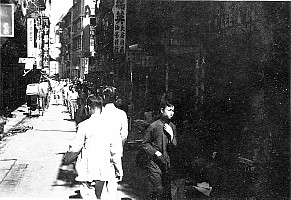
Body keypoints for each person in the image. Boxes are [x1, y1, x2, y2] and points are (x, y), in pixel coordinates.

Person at [69, 95, 123, 199]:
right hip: (103, 169)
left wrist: (68, 157)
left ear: (88, 107)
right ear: (101, 107)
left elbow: (75, 148)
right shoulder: (110, 126)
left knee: (89, 196)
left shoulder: (84, 125)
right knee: (101, 196)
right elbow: (115, 150)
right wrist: (119, 169)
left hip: (88, 170)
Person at [142, 98, 177, 200]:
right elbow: (145, 144)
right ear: (162, 110)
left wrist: (171, 135)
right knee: (157, 190)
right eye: (169, 110)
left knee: (167, 191)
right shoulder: (154, 126)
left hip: (167, 164)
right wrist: (155, 152)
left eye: (173, 110)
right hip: (155, 164)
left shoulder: (172, 127)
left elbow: (175, 147)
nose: (171, 113)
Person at [102, 86, 128, 157]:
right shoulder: (122, 114)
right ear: (115, 98)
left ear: (104, 97)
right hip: (117, 149)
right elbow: (124, 135)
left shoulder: (100, 113)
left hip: (101, 150)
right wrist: (119, 145)